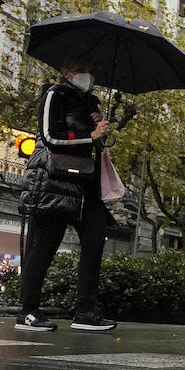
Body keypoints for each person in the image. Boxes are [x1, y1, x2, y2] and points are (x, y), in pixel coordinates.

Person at [16, 55, 117, 332]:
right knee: (44, 245)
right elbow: (49, 137)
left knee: (95, 241)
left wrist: (99, 128)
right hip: (55, 181)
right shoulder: (54, 94)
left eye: (90, 70)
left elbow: (93, 143)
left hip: (87, 182)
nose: (86, 75)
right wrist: (90, 136)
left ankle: (85, 311)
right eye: (80, 69)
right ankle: (28, 311)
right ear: (66, 71)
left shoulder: (91, 103)